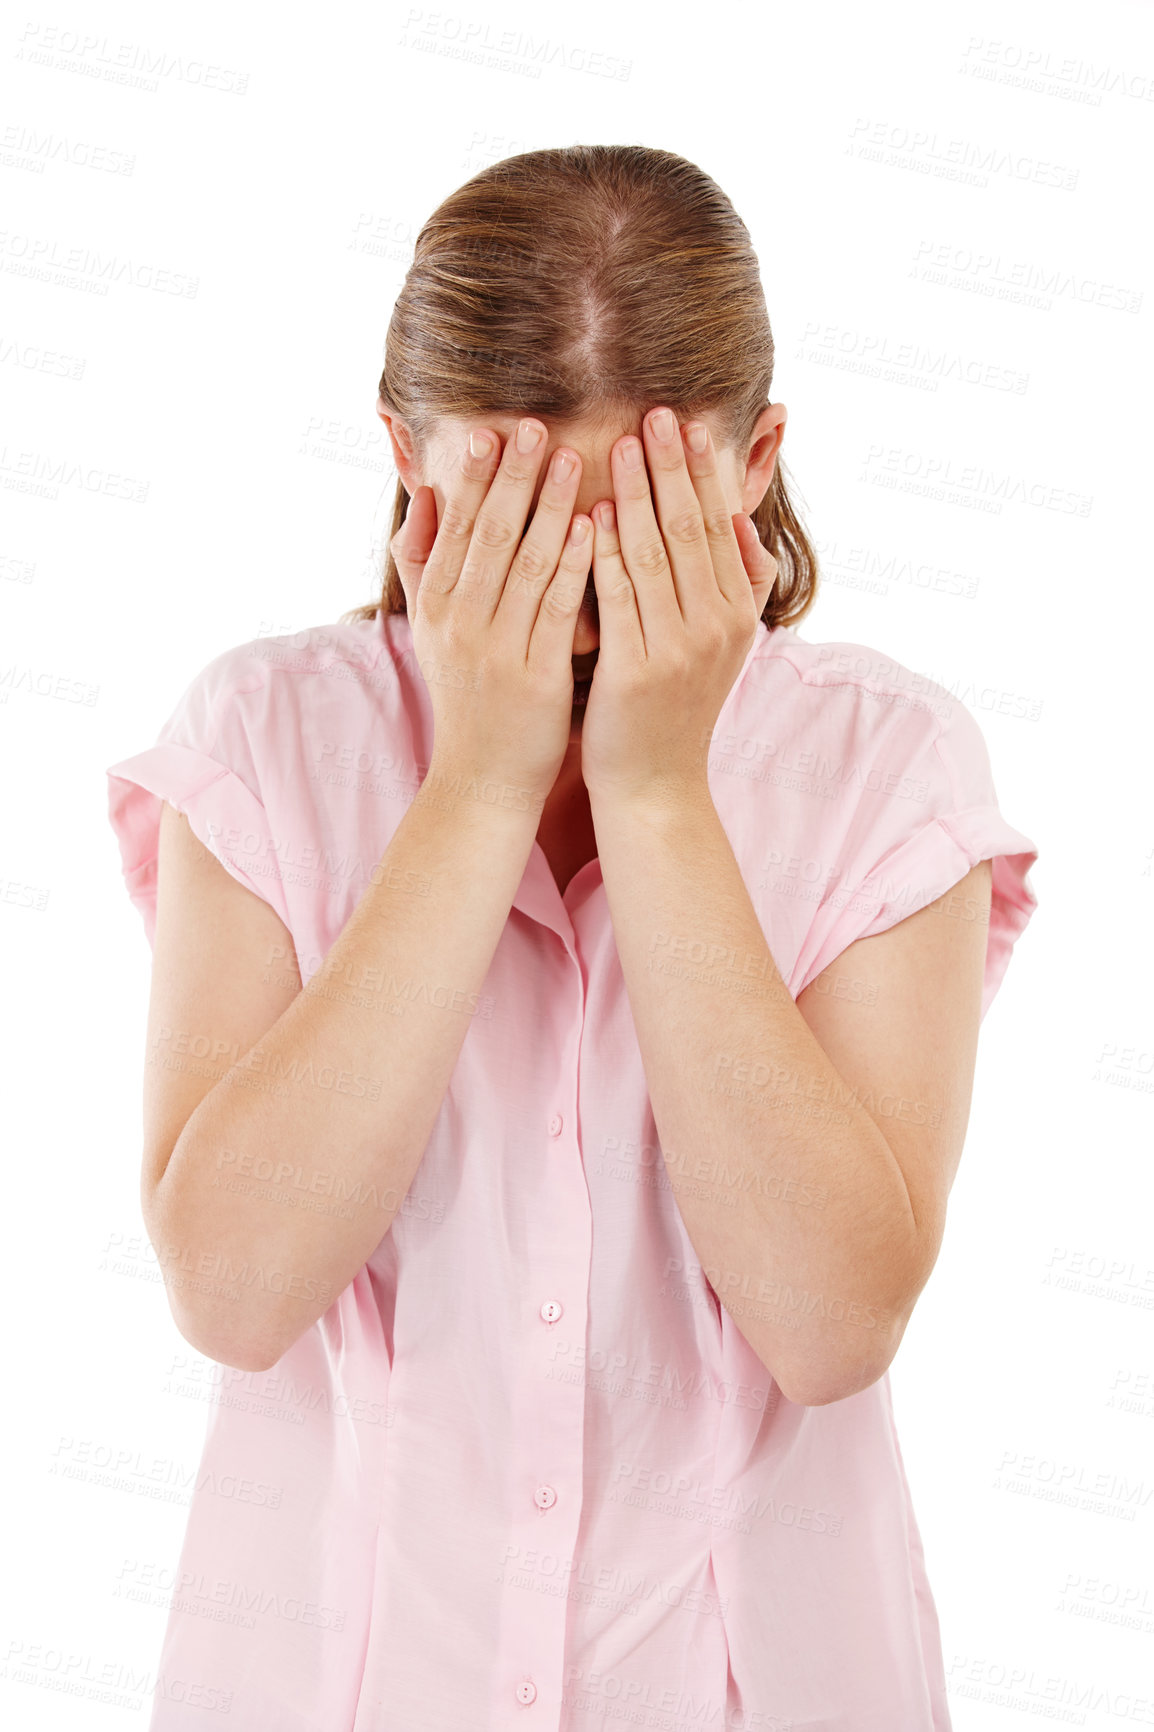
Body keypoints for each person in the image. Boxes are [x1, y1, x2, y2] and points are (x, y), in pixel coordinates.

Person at [105, 145, 1039, 1731]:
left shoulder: (888, 765)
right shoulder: (265, 738)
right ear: (407, 457)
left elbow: (828, 1327)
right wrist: (474, 789)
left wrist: (661, 797)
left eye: (631, 516)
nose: (580, 580)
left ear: (752, 467)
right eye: (519, 514)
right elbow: (235, 1289)